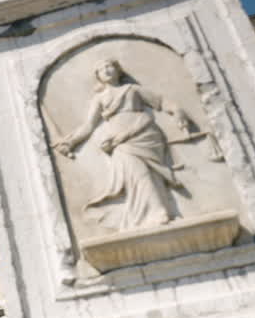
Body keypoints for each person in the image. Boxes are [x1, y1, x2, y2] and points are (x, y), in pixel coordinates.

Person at [54, 58, 193, 232]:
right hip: (120, 141)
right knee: (136, 175)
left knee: (151, 174)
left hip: (144, 133)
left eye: (109, 66)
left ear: (118, 70)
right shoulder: (100, 98)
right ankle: (154, 213)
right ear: (97, 76)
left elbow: (162, 102)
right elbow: (88, 125)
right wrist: (70, 142)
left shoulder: (132, 90)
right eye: (101, 68)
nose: (106, 70)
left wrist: (177, 111)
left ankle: (158, 213)